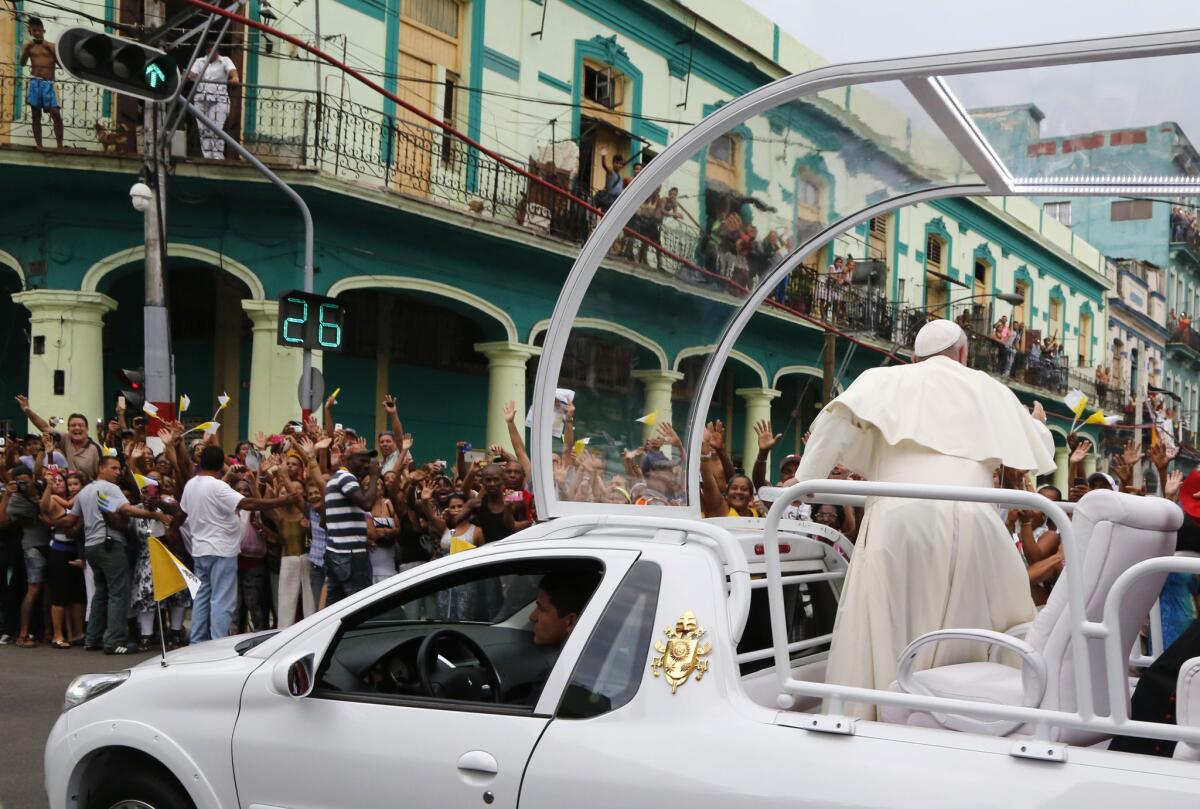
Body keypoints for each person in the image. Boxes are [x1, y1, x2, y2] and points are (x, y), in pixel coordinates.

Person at [792, 318, 1056, 719]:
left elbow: (835, 420)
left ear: (914, 358)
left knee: (887, 624)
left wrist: (805, 480)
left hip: (899, 518)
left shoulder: (883, 380)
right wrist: (1037, 423)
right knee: (974, 631)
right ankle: (971, 721)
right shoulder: (991, 389)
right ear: (964, 354)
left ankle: (875, 718)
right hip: (978, 526)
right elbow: (1039, 442)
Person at [177, 446, 298, 642]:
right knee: (221, 600)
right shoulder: (217, 486)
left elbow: (182, 512)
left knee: (201, 598)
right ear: (219, 465)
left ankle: (197, 641)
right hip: (221, 550)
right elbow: (248, 504)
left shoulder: (191, 485)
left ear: (201, 462)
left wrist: (170, 524)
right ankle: (218, 642)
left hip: (200, 550)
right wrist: (281, 500)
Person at [57, 456, 170, 654]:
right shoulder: (110, 488)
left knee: (101, 593)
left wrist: (45, 517)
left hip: (91, 547)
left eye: (119, 468)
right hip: (110, 544)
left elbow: (70, 520)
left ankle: (92, 638)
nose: (118, 472)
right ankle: (115, 642)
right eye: (114, 468)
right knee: (118, 593)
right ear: (101, 468)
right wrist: (156, 515)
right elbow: (127, 510)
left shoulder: (85, 491)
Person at [323, 445, 380, 604]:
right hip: (350, 556)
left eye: (368, 461)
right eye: (362, 460)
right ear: (346, 460)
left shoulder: (337, 478)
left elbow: (324, 520)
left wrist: (359, 538)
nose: (367, 465)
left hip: (336, 552)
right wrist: (374, 477)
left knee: (334, 609)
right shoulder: (346, 478)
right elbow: (367, 503)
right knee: (359, 607)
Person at [5, 466, 47, 648]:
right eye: (19, 482)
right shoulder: (15, 500)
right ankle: (23, 634)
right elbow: (41, 513)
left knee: (48, 592)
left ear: (32, 479)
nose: (24, 484)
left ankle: (47, 631)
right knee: (33, 591)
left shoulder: (41, 490)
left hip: (49, 545)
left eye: (26, 480)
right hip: (32, 547)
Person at [17, 398, 101, 482]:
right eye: (73, 425)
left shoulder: (95, 448)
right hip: (70, 488)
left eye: (80, 425)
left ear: (87, 429)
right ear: (68, 429)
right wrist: (27, 410)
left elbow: (101, 474)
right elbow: (44, 427)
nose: (77, 428)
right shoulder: (66, 439)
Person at [187, 45, 241, 159]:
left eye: (212, 50)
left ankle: (217, 157)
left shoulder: (225, 60)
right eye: (208, 51)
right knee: (203, 130)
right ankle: (207, 156)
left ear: (217, 51)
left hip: (219, 100)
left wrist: (235, 78)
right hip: (201, 100)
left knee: (216, 129)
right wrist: (187, 76)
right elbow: (192, 74)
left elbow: (232, 71)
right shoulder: (200, 61)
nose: (210, 53)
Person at [19, 18, 63, 149]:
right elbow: (22, 63)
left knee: (55, 113)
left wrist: (53, 51)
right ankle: (39, 145)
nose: (37, 33)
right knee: (36, 114)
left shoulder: (51, 46)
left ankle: (59, 145)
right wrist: (25, 50)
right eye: (34, 30)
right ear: (31, 31)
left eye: (39, 30)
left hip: (49, 83)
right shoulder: (29, 46)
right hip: (34, 82)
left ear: (44, 30)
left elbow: (60, 64)